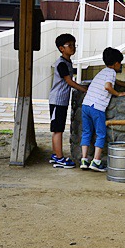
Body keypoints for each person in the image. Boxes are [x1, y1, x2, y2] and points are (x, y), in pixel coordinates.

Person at [80, 47, 125, 171]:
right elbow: (108, 86)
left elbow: (117, 82)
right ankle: (96, 161)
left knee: (86, 132)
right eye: (120, 63)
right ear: (116, 63)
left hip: (86, 105)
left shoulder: (103, 72)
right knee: (101, 134)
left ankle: (84, 160)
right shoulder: (111, 72)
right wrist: (118, 94)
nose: (120, 65)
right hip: (97, 107)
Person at [48, 33, 87, 168]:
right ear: (61, 48)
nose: (73, 47)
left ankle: (56, 155)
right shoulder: (61, 64)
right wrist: (83, 89)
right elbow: (69, 81)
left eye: (74, 45)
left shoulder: (67, 62)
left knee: (58, 128)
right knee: (57, 129)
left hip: (62, 101)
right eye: (69, 45)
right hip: (57, 101)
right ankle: (59, 158)